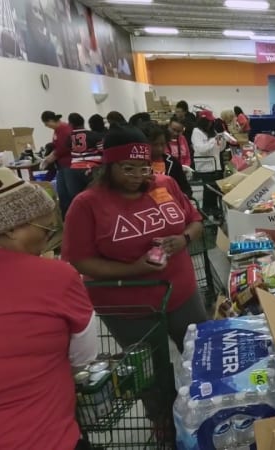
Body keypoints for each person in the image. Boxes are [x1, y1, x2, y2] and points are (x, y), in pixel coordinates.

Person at [61, 126, 208, 444]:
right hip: (129, 307)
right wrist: (132, 269)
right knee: (150, 373)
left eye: (143, 168)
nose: (138, 176)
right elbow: (80, 260)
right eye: (127, 168)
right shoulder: (87, 204)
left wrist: (182, 239)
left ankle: (206, 408)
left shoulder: (165, 184)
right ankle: (163, 422)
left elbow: (195, 221)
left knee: (200, 356)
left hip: (181, 292)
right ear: (108, 166)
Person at [0, 132, 97, 450]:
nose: (47, 242)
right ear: (11, 227)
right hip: (45, 437)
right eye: (45, 230)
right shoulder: (57, 277)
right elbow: (84, 357)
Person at [40, 110, 75, 217]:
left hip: (69, 164)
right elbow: (56, 146)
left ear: (51, 120)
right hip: (61, 165)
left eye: (46, 124)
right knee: (62, 193)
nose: (47, 126)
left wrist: (50, 158)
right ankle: (66, 217)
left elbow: (62, 148)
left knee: (70, 192)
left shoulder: (64, 129)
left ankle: (74, 216)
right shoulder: (57, 130)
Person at [145, 123, 193, 198]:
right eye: (155, 144)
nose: (159, 148)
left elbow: (186, 188)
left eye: (162, 144)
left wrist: (182, 197)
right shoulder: (140, 163)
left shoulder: (173, 162)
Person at [68, 112, 103, 198]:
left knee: (79, 197)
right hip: (91, 168)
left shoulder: (68, 137)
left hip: (74, 168)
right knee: (95, 195)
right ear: (83, 122)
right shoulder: (94, 135)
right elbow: (103, 151)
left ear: (71, 124)